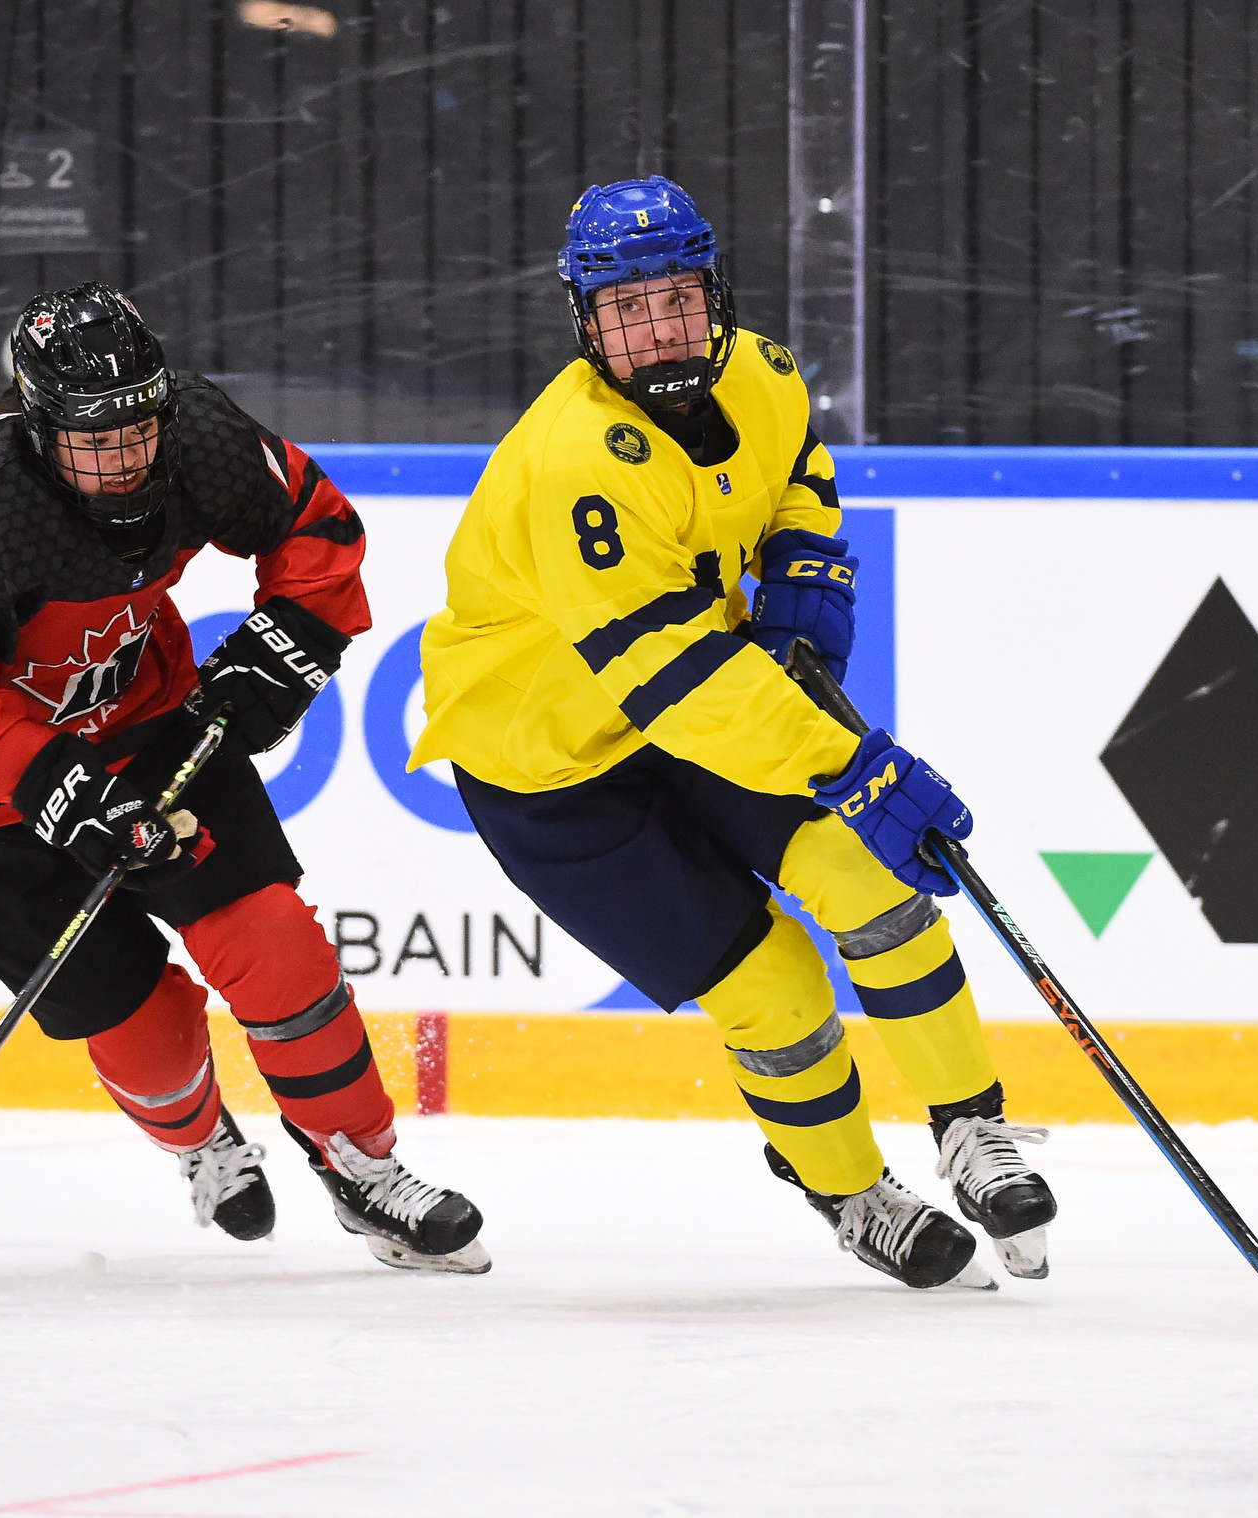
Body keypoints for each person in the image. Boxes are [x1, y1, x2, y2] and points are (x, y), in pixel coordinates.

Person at [411, 178, 1056, 1289]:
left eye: (674, 299)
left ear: (714, 293)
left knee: (868, 879)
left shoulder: (761, 372)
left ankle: (970, 1126)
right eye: (624, 309)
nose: (655, 329)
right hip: (553, 771)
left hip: (690, 712)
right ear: (584, 323)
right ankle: (851, 1193)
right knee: (774, 987)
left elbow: (797, 478)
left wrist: (805, 576)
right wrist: (852, 762)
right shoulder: (576, 464)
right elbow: (675, 677)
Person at [0, 282, 488, 1273]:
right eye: (91, 440)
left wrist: (296, 633)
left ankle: (362, 1168)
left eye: (137, 425)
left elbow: (313, 520)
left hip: (141, 722)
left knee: (271, 939)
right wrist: (48, 779)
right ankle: (198, 1142)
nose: (122, 458)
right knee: (127, 1011)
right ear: (33, 425)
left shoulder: (197, 436)